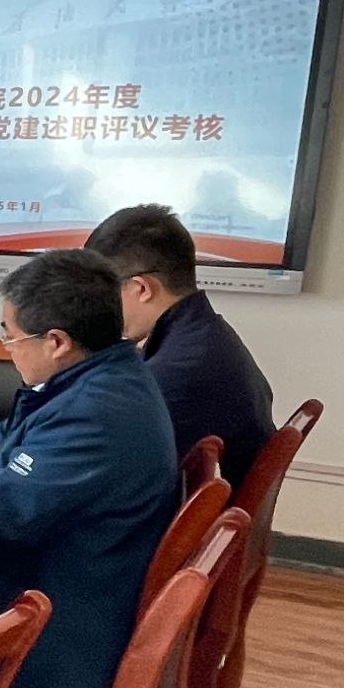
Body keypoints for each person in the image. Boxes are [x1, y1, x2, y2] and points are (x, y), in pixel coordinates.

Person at [0, 250, 179, 688]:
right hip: (58, 597)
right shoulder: (100, 380)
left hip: (49, 652)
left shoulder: (93, 416)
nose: (8, 347)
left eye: (10, 335)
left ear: (57, 342)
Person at [85, 203, 276, 487]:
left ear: (141, 288)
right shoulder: (206, 333)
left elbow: (102, 471)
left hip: (180, 508)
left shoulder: (177, 371)